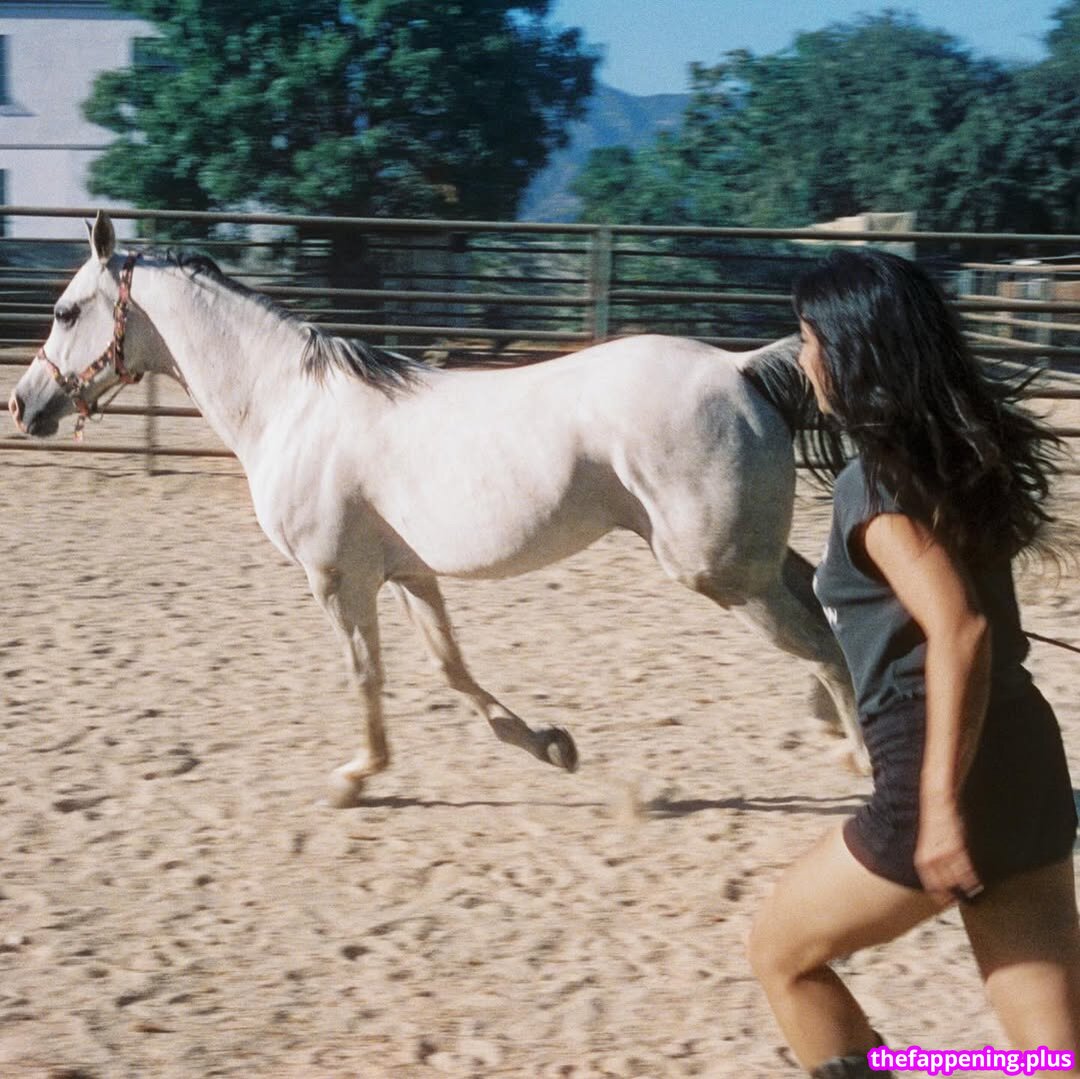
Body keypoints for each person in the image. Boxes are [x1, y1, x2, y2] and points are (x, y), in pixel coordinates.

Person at [747, 248, 1080, 1078]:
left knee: (783, 955)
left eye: (809, 339)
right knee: (1052, 1056)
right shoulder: (956, 459)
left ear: (852, 352)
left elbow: (959, 629)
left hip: (940, 766)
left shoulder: (874, 484)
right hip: (1025, 758)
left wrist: (937, 810)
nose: (802, 360)